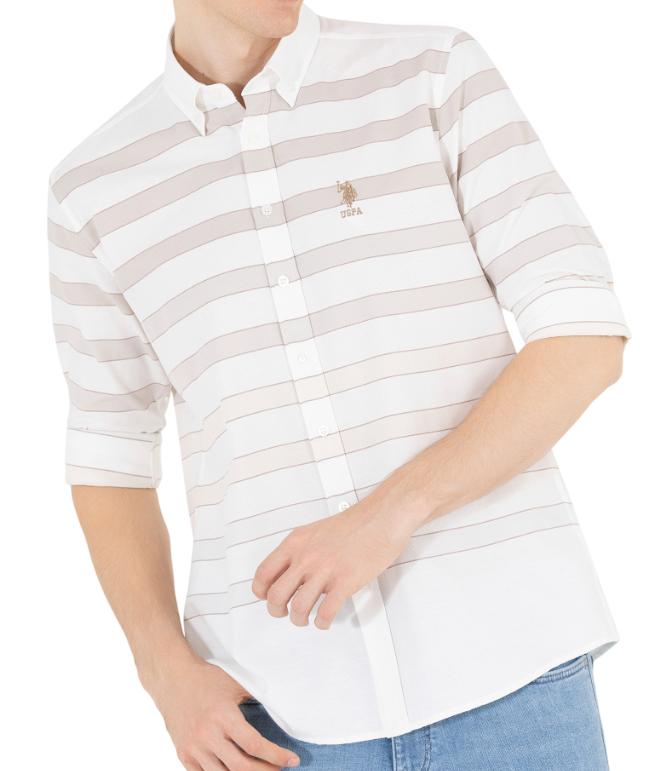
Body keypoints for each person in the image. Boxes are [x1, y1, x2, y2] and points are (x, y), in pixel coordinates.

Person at [46, 2, 630, 769]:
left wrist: (391, 511)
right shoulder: (92, 184)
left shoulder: (431, 71)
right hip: (275, 711)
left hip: (512, 673)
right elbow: (110, 453)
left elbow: (584, 336)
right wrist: (163, 671)